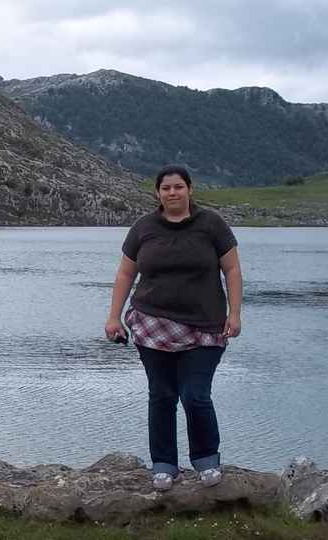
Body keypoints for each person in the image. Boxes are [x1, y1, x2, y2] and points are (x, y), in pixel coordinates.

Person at [105, 165, 243, 491]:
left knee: (195, 396)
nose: (172, 193)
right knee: (162, 396)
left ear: (190, 190)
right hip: (152, 326)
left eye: (178, 187)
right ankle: (164, 465)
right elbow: (126, 274)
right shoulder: (144, 227)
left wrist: (234, 314)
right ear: (157, 193)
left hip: (205, 328)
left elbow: (233, 269)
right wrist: (114, 317)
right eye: (166, 188)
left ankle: (207, 459)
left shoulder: (212, 224)